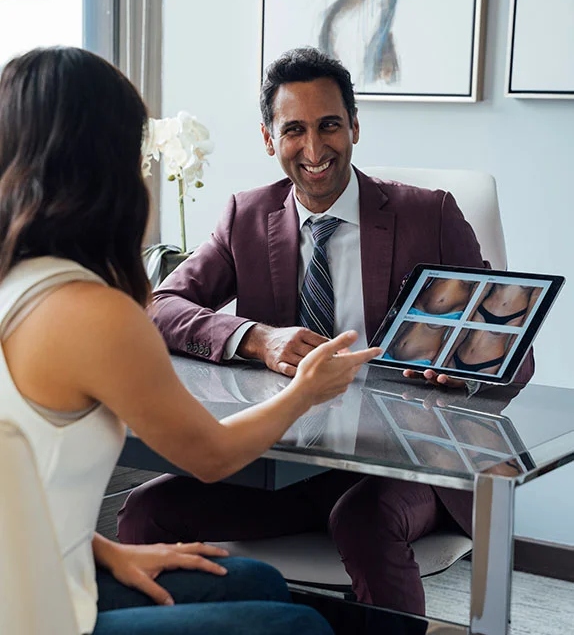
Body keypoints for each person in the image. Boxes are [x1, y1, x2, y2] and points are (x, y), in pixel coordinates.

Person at [118, 47, 534, 617]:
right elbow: (161, 305)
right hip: (293, 466)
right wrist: (258, 337)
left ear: (355, 127)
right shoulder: (246, 216)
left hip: (409, 465)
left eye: (329, 125)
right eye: (294, 130)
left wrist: (463, 373)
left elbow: (516, 349)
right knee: (145, 512)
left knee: (361, 519)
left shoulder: (429, 215)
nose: (314, 150)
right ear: (269, 139)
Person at [0, 47, 383, 635]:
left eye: (329, 124)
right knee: (300, 625)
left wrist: (98, 549)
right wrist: (303, 385)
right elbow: (211, 457)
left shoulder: (17, 281)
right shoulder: (96, 312)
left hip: (37, 567)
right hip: (36, 613)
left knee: (259, 582)